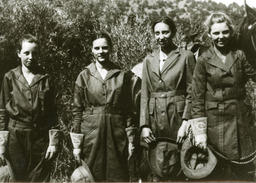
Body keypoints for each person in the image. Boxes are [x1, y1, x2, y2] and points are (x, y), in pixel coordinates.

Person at [191, 12, 256, 181]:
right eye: (216, 33)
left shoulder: (240, 55)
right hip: (215, 125)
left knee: (244, 173)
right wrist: (199, 133)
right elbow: (196, 97)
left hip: (241, 121)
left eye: (225, 32)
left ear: (231, 32)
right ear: (209, 34)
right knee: (219, 174)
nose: (221, 37)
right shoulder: (203, 60)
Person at [70, 32, 139, 182]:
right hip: (91, 134)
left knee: (118, 174)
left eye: (105, 48)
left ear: (111, 49)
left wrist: (131, 140)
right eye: (97, 48)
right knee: (90, 175)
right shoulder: (84, 76)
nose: (101, 51)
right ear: (92, 50)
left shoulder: (122, 75)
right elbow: (77, 111)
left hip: (116, 133)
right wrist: (76, 144)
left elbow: (128, 111)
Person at [139, 16, 196, 181]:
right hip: (154, 119)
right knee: (156, 166)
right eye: (157, 33)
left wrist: (186, 122)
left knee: (180, 164)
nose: (161, 36)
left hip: (176, 118)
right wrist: (144, 125)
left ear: (173, 33)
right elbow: (145, 94)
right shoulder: (148, 60)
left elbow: (193, 92)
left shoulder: (186, 56)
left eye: (165, 32)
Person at [0, 34, 59, 182]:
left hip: (40, 137)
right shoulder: (10, 77)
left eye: (35, 53)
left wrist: (53, 142)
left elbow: (53, 113)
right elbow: (2, 111)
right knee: (17, 178)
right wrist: (1, 143)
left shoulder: (46, 78)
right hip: (16, 138)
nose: (31, 57)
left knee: (39, 178)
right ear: (19, 53)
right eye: (26, 53)